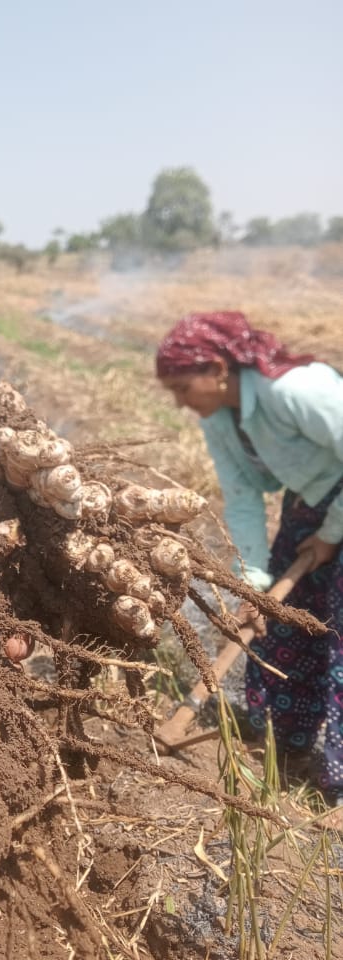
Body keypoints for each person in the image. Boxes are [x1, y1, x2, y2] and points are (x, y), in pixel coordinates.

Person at [155, 310, 343, 805]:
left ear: (218, 369)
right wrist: (252, 584)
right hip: (313, 497)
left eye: (181, 387)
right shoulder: (221, 416)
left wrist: (334, 531)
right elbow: (240, 497)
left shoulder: (294, 391)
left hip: (336, 500)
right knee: (283, 624)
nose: (179, 403)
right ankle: (287, 741)